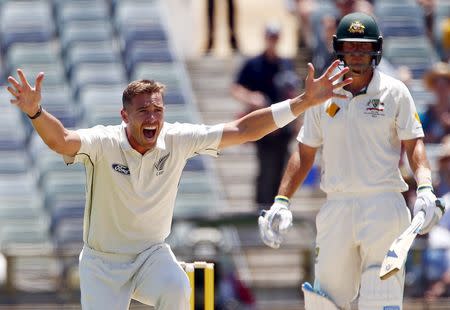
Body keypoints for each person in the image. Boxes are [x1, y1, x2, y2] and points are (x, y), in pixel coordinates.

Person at [6, 58, 351, 309]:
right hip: (102, 262)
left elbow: (244, 130)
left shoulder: (178, 138)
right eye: (143, 111)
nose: (153, 117)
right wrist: (36, 113)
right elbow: (62, 141)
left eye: (158, 109)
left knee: (176, 289)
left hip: (151, 254)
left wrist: (303, 102)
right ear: (124, 116)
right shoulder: (104, 142)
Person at [258, 12, 445, 310]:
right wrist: (281, 200)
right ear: (339, 48)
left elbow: (414, 145)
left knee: (379, 299)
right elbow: (305, 153)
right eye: (351, 46)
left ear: (376, 49)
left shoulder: (395, 92)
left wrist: (424, 186)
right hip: (337, 206)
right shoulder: (322, 96)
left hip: (383, 205)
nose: (357, 53)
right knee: (324, 302)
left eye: (363, 46)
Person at [231, 23, 300, 208]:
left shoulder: (285, 63)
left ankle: (278, 209)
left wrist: (297, 122)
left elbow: (293, 93)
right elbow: (236, 88)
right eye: (270, 36)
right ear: (265, 37)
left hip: (283, 128)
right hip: (263, 127)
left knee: (283, 171)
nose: (273, 40)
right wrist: (251, 97)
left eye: (276, 36)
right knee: (266, 170)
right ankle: (261, 210)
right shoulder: (254, 64)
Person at [421, 61, 450, 144]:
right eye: (437, 82)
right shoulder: (427, 112)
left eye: (445, 82)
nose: (441, 85)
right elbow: (419, 136)